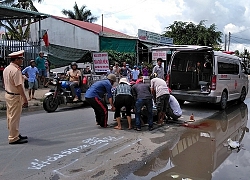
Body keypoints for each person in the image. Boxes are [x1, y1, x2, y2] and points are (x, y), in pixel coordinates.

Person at [3, 50, 28, 144]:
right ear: (17, 60)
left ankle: (14, 133)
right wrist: (25, 98)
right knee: (14, 117)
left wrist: (23, 77)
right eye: (21, 59)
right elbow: (18, 86)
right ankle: (13, 137)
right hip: (15, 96)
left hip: (8, 94)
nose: (22, 61)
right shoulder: (16, 70)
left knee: (10, 116)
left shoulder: (8, 68)